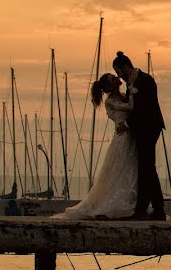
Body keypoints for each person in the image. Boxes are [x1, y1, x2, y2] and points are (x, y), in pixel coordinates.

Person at [54, 73, 137, 219]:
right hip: (122, 137)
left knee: (128, 169)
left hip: (129, 135)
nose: (117, 78)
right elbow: (130, 107)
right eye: (113, 78)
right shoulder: (111, 101)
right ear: (110, 86)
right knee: (120, 169)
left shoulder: (122, 95)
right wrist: (133, 90)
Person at [112, 51, 167, 220]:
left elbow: (144, 109)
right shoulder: (131, 83)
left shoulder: (145, 80)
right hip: (140, 129)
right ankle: (153, 209)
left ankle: (146, 209)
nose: (118, 76)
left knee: (146, 168)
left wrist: (127, 124)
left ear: (125, 67)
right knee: (146, 169)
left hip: (149, 128)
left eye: (118, 72)